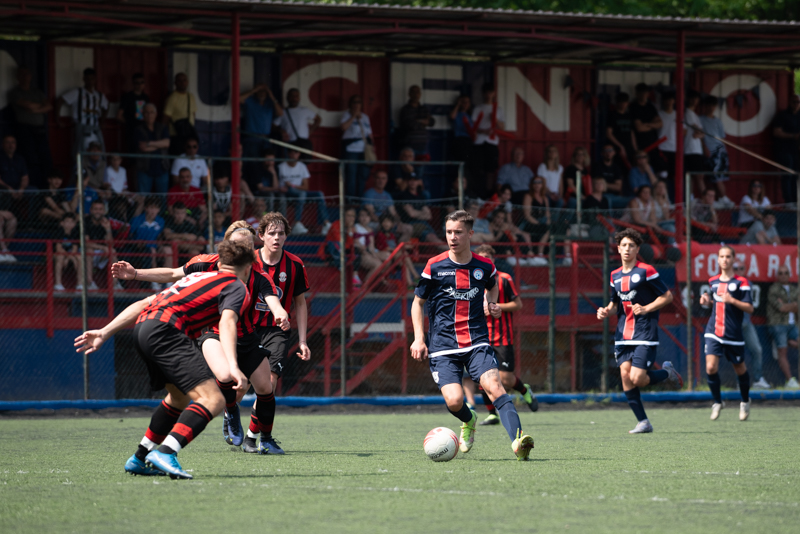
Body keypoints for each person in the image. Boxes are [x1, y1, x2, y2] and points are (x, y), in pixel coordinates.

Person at [77, 239, 256, 479]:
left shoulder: (195, 277)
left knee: (179, 397)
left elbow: (145, 303)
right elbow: (227, 321)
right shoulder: (236, 286)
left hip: (144, 329)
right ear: (248, 268)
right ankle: (166, 452)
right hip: (166, 331)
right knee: (213, 399)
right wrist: (234, 366)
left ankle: (140, 457)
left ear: (220, 261)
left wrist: (104, 332)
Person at [111, 223, 292, 455]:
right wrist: (136, 274)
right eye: (238, 245)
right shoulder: (206, 266)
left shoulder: (257, 275)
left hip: (243, 337)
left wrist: (280, 313)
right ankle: (176, 445)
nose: (244, 249)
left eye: (248, 245)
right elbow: (174, 275)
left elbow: (273, 301)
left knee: (265, 387)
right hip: (208, 332)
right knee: (222, 382)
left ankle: (262, 438)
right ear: (226, 247)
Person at [411, 210, 534, 460]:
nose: (452, 237)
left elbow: (492, 287)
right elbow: (417, 303)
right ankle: (469, 420)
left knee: (495, 387)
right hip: (443, 345)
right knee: (455, 401)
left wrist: (492, 304)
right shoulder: (434, 265)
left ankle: (518, 442)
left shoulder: (485, 266)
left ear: (470, 234)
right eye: (449, 232)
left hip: (476, 341)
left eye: (458, 232)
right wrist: (418, 338)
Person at [596, 228, 681, 433]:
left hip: (644, 332)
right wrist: (606, 311)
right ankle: (643, 422)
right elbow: (615, 304)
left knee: (638, 378)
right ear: (618, 249)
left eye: (631, 245)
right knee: (626, 377)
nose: (627, 249)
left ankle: (667, 373)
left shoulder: (646, 271)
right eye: (624, 245)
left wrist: (646, 308)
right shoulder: (614, 275)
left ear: (637, 249)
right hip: (623, 334)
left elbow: (667, 297)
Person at [471, 245, 538, 426]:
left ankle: (524, 390)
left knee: (506, 378)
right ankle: (492, 414)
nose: (485, 260)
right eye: (481, 257)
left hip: (502, 336)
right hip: (480, 337)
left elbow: (518, 304)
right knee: (482, 377)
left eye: (488, 257)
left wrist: (497, 306)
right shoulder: (472, 280)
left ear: (493, 259)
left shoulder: (504, 279)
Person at [699, 245, 754, 421]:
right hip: (713, 330)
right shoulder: (713, 281)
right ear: (718, 259)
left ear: (733, 259)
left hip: (732, 333)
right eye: (722, 256)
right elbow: (716, 303)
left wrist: (733, 300)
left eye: (728, 256)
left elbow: (750, 308)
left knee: (740, 368)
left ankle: (744, 401)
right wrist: (706, 302)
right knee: (710, 367)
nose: (725, 260)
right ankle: (717, 402)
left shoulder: (741, 282)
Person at [9, 66, 52, 187]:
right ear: (18, 77)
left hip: (40, 129)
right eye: (22, 74)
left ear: (31, 76)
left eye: (27, 74)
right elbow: (28, 105)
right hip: (24, 129)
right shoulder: (15, 92)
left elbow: (49, 106)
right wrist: (40, 107)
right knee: (30, 158)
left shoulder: (36, 92)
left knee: (45, 158)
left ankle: (46, 186)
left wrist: (36, 110)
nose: (25, 77)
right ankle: (32, 186)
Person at [733, 262, 770, 390]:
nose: (739, 270)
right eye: (736, 268)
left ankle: (758, 379)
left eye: (741, 268)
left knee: (757, 350)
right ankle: (740, 382)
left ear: (745, 270)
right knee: (738, 353)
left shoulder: (748, 283)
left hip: (746, 323)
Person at [56, 67, 108, 155]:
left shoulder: (99, 95)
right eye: (88, 79)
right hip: (81, 126)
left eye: (92, 79)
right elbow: (60, 101)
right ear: (84, 79)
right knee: (80, 149)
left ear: (95, 79)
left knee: (99, 149)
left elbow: (106, 106)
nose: (90, 81)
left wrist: (102, 121)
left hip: (95, 127)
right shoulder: (78, 92)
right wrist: (58, 119)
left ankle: (99, 164)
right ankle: (79, 164)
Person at [278, 148, 331, 235]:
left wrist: (292, 185)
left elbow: (306, 187)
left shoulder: (302, 166)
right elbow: (277, 184)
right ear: (289, 154)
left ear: (299, 154)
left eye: (296, 153)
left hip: (298, 191)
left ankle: (326, 223)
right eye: (292, 153)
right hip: (286, 192)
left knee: (319, 194)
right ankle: (297, 223)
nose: (294, 155)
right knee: (301, 193)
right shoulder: (281, 166)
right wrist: (282, 187)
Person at [767, 267, 800, 389]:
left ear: (789, 275)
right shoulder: (773, 289)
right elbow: (780, 308)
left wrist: (787, 305)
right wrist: (793, 305)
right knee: (783, 352)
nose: (783, 275)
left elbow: (796, 307)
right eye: (780, 273)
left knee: (794, 343)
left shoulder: (793, 289)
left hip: (792, 324)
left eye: (786, 273)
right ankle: (789, 380)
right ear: (777, 276)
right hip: (778, 324)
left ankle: (787, 342)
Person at [470, 83, 505, 199]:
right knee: (478, 170)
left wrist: (494, 120)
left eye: (490, 92)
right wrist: (483, 131)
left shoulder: (498, 109)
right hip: (479, 142)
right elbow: (472, 127)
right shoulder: (478, 108)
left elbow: (502, 127)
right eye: (486, 92)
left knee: (491, 170)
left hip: (492, 142)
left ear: (494, 93)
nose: (488, 95)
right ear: (483, 94)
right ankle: (478, 194)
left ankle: (488, 195)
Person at [700, 96, 733, 208]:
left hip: (719, 151)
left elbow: (722, 138)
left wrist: (723, 152)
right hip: (708, 151)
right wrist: (704, 147)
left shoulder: (718, 121)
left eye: (713, 105)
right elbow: (700, 136)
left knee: (718, 176)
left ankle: (723, 199)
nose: (711, 108)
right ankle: (715, 199)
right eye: (709, 105)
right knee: (709, 176)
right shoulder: (700, 119)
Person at [340, 95, 374, 198]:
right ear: (350, 104)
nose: (356, 104)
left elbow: (370, 134)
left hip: (364, 151)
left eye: (358, 102)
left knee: (363, 175)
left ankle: (359, 198)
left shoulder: (365, 117)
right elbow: (343, 127)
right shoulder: (346, 115)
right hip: (351, 150)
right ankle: (351, 200)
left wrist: (372, 147)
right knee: (351, 175)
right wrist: (354, 116)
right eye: (354, 102)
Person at [135, 103, 170, 194]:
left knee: (162, 199)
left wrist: (149, 143)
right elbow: (143, 148)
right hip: (145, 169)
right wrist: (159, 145)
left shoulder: (162, 127)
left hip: (162, 168)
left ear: (156, 114)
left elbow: (166, 144)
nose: (149, 115)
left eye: (151, 112)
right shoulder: (138, 129)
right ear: (143, 114)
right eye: (146, 112)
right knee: (142, 198)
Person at [128, 198, 166, 283]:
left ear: (159, 210)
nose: (153, 211)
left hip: (155, 246)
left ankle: (169, 281)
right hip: (139, 247)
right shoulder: (137, 220)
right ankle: (155, 280)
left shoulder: (161, 221)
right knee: (152, 251)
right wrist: (136, 243)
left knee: (167, 251)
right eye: (151, 208)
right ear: (146, 208)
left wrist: (160, 245)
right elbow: (130, 235)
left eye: (155, 208)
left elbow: (160, 236)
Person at [772, 93, 800, 204]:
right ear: (790, 102)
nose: (796, 104)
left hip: (797, 151)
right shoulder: (782, 115)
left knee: (796, 175)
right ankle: (788, 201)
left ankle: (796, 200)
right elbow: (776, 132)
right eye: (794, 102)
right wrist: (793, 136)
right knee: (787, 174)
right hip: (784, 150)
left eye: (798, 102)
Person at [274, 88, 320, 155]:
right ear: (287, 97)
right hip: (290, 144)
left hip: (303, 143)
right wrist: (281, 131)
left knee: (304, 161)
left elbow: (318, 119)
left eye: (296, 96)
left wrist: (310, 131)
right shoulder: (283, 112)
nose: (294, 98)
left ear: (299, 98)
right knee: (290, 161)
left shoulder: (304, 110)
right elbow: (273, 125)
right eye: (292, 96)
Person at [161, 202, 204, 268]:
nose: (180, 216)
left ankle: (193, 273)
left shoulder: (189, 224)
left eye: (182, 213)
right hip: (172, 248)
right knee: (172, 245)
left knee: (194, 252)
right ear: (173, 213)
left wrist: (177, 238)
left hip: (187, 249)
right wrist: (185, 236)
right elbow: (168, 236)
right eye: (177, 213)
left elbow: (195, 237)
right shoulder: (168, 222)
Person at [163, 72, 197, 155]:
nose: (182, 83)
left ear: (187, 82)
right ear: (175, 83)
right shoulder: (172, 98)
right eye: (179, 81)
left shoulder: (191, 96)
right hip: (176, 136)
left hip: (189, 135)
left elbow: (193, 114)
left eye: (184, 80)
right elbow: (165, 119)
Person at [398, 85, 435, 162]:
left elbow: (432, 122)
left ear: (420, 94)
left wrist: (422, 121)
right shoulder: (405, 109)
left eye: (417, 92)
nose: (416, 95)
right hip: (409, 145)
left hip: (423, 145)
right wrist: (423, 122)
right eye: (413, 92)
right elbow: (409, 124)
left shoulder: (423, 109)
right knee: (408, 166)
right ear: (409, 94)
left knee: (420, 167)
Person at [630, 83, 662, 168]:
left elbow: (660, 124)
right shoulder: (634, 107)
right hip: (640, 145)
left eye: (645, 92)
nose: (643, 95)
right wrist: (653, 125)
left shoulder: (650, 107)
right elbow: (639, 128)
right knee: (642, 168)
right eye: (641, 92)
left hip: (653, 145)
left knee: (658, 169)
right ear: (637, 94)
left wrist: (647, 124)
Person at [520, 176, 551, 262]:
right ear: (532, 184)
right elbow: (527, 215)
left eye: (539, 182)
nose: (537, 185)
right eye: (535, 182)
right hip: (530, 223)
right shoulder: (528, 196)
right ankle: (540, 253)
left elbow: (547, 214)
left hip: (542, 222)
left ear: (542, 184)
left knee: (553, 228)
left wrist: (547, 222)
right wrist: (538, 223)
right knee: (546, 229)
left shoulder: (545, 198)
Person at [117, 72, 150, 153]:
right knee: (133, 153)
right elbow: (119, 116)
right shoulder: (128, 97)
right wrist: (130, 123)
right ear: (133, 84)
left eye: (142, 82)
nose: (139, 85)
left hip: (144, 130)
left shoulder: (146, 97)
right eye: (137, 83)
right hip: (132, 131)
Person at [684, 90, 707, 199]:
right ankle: (703, 199)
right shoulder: (688, 113)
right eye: (692, 98)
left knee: (696, 176)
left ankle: (693, 198)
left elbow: (701, 133)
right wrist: (700, 133)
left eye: (696, 98)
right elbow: (697, 132)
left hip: (697, 149)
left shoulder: (695, 115)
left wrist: (700, 134)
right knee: (697, 176)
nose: (694, 101)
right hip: (691, 149)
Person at [52, 212, 83, 291]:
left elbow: (74, 249)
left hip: (69, 255)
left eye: (72, 222)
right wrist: (70, 258)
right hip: (55, 254)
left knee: (79, 257)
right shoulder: (58, 232)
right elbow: (58, 249)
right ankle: (58, 284)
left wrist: (69, 258)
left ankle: (80, 284)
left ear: (74, 224)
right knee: (60, 257)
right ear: (62, 223)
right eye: (67, 221)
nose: (69, 224)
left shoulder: (75, 233)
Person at [0, 134, 30, 211]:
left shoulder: (20, 159)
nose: (11, 145)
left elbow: (25, 177)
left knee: (34, 191)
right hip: (4, 188)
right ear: (2, 144)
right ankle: (5, 213)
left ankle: (32, 216)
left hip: (18, 188)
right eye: (8, 142)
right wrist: (9, 189)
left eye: (13, 142)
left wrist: (21, 189)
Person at [593, 142, 628, 208]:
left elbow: (618, 187)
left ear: (614, 152)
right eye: (606, 151)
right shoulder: (597, 166)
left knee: (631, 201)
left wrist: (603, 184)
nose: (608, 153)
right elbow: (596, 185)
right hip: (602, 195)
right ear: (602, 153)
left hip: (615, 196)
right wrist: (611, 185)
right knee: (607, 200)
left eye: (610, 150)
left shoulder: (616, 168)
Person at [606, 92, 635, 168]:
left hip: (629, 147)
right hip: (616, 148)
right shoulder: (612, 115)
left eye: (625, 102)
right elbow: (609, 133)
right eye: (621, 102)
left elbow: (631, 133)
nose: (623, 104)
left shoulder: (629, 115)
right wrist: (620, 146)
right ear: (617, 103)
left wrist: (635, 148)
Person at [657, 91, 678, 182]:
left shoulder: (678, 115)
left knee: (674, 174)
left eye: (670, 100)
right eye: (666, 100)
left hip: (674, 148)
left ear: (674, 101)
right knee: (662, 173)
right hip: (661, 147)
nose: (668, 102)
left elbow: (684, 131)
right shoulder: (659, 114)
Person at [449, 95, 473, 174]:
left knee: (467, 164)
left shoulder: (470, 116)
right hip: (459, 140)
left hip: (468, 141)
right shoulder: (458, 114)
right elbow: (452, 116)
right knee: (460, 163)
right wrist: (458, 105)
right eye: (463, 102)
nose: (465, 104)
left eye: (467, 102)